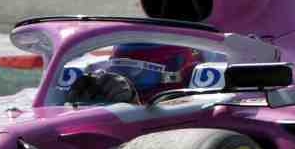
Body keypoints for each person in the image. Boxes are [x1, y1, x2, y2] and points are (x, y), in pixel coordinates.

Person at [66, 43, 204, 106]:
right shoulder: (101, 88)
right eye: (118, 70)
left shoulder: (198, 108)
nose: (124, 80)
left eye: (137, 74)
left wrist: (132, 102)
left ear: (173, 74)